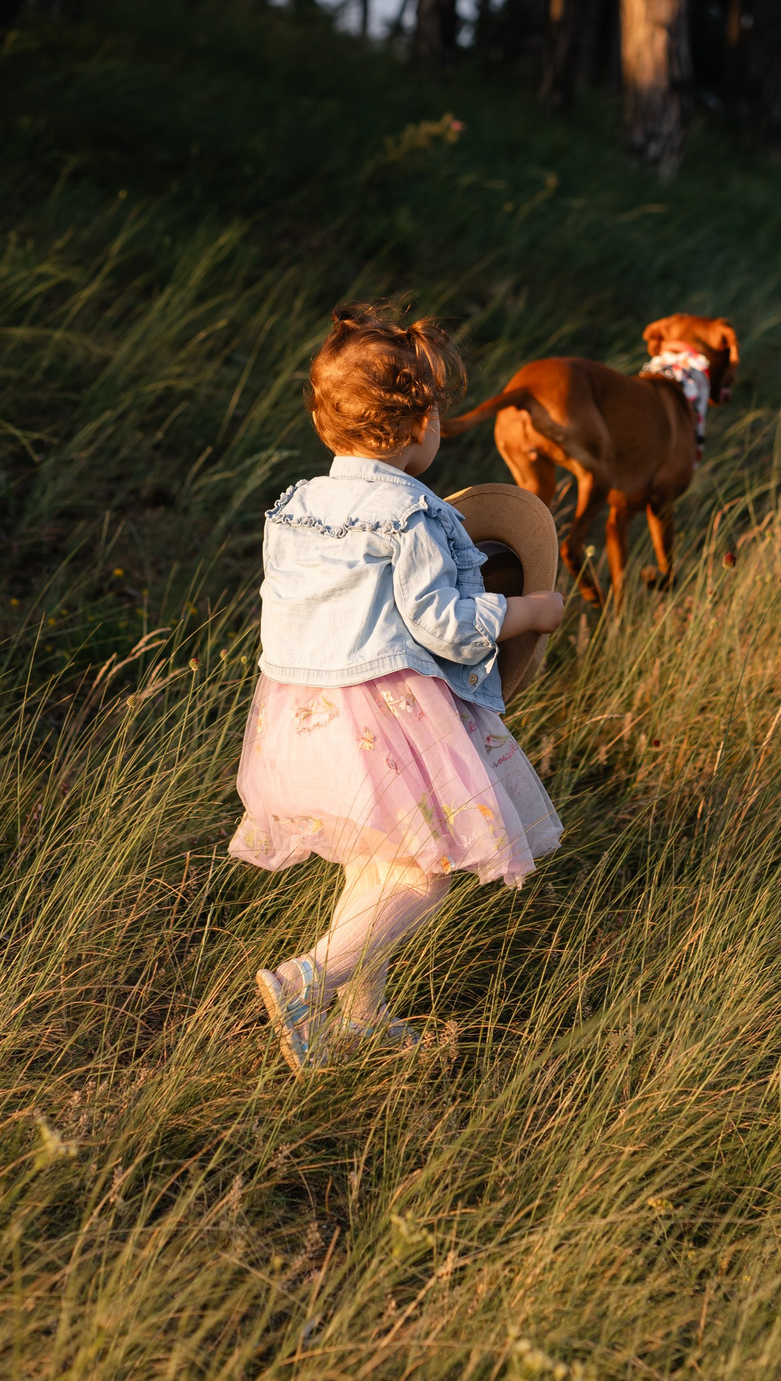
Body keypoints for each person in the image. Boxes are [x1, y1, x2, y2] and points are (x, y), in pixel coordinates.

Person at [232, 303, 567, 1073]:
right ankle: (304, 979)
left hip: (301, 714)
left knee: (375, 863)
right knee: (423, 873)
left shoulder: (296, 505)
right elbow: (444, 622)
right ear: (420, 425)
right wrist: (526, 610)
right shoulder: (412, 513)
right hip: (387, 714)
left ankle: (361, 1013)